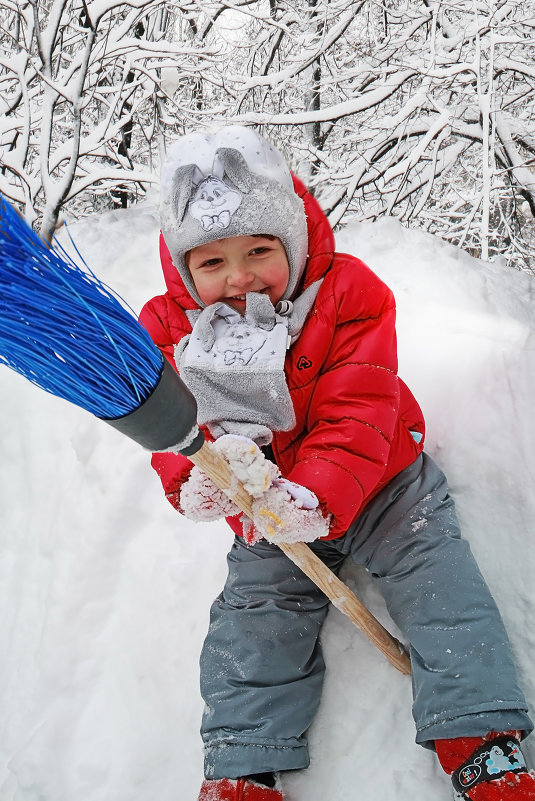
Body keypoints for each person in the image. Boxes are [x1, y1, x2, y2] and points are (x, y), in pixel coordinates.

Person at [139, 125, 535, 801]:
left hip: (385, 486)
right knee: (253, 618)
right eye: (210, 263)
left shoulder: (349, 294)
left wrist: (315, 494)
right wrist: (197, 480)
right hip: (260, 508)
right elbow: (172, 428)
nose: (237, 277)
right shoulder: (167, 328)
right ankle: (242, 761)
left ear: (292, 238)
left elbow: (359, 408)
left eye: (258, 250)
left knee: (440, 585)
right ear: (182, 270)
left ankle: (480, 736)